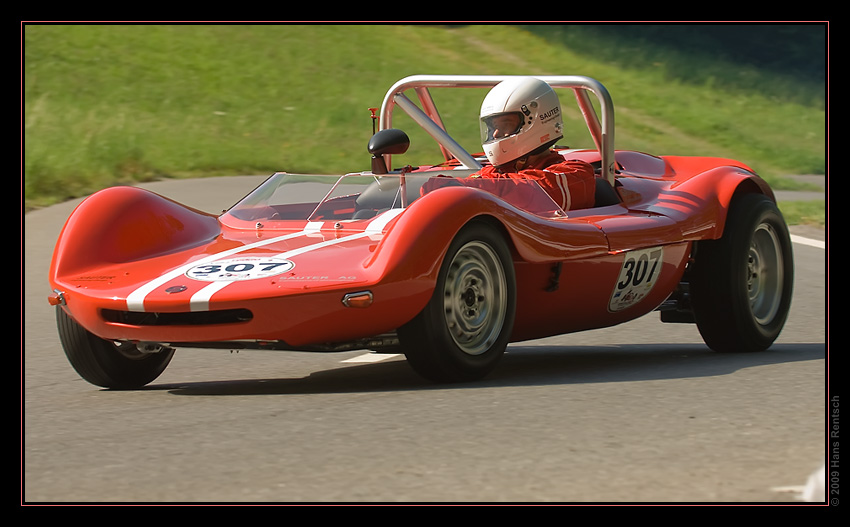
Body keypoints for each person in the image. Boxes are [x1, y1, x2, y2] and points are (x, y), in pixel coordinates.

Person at [472, 77, 596, 211]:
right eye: (493, 127)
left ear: (537, 120)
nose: (495, 134)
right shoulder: (495, 171)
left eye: (506, 124)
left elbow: (527, 190)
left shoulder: (577, 174)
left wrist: (472, 187)